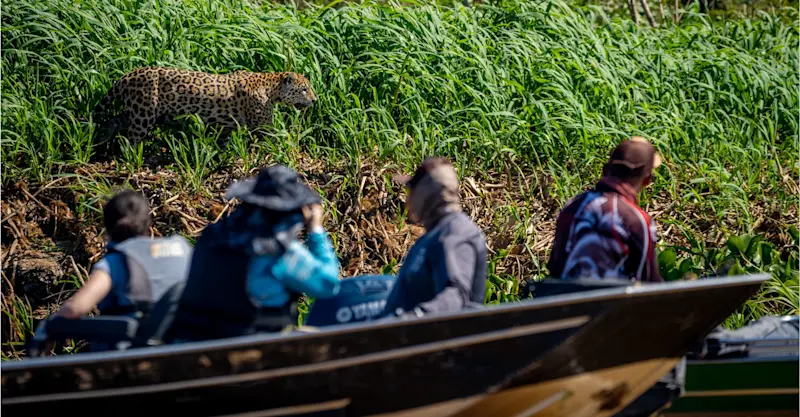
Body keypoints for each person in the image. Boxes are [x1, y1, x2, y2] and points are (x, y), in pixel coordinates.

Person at [165, 164, 341, 342]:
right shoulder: (279, 252)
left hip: (190, 344)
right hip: (248, 351)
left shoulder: (212, 236)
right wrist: (316, 230)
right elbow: (328, 285)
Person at [54, 189, 193, 349]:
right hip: (184, 349)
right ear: (148, 224)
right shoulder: (184, 249)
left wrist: (48, 329)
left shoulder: (115, 261)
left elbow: (74, 309)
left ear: (107, 228)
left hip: (132, 357)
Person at [379, 157, 488, 319]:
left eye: (411, 190)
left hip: (427, 339)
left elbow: (456, 296)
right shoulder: (436, 234)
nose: (407, 199)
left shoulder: (455, 232)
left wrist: (413, 317)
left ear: (425, 195)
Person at [547, 136, 664, 283]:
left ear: (606, 170)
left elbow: (556, 267)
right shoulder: (635, 219)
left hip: (565, 302)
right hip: (613, 304)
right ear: (648, 179)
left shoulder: (572, 207)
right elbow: (648, 281)